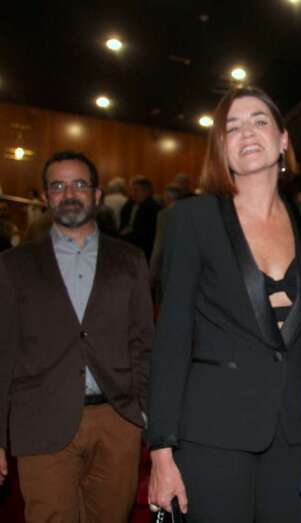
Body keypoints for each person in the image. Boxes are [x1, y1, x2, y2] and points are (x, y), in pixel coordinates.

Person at [146, 86, 301, 522]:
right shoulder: (191, 218)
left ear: (283, 140)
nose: (247, 132)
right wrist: (161, 450)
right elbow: (172, 336)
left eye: (259, 121)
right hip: (211, 432)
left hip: (294, 430)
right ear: (221, 147)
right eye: (232, 127)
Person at [0, 151, 153, 522]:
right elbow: (4, 351)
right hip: (41, 418)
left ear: (97, 194)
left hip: (117, 420)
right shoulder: (14, 265)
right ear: (45, 197)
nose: (69, 194)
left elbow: (143, 344)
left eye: (79, 184)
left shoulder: (131, 260)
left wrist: (146, 415)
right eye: (58, 186)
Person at [120, 176, 161, 260]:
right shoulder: (128, 205)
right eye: (131, 190)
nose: (132, 193)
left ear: (146, 191)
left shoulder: (154, 209)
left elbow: (150, 234)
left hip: (145, 251)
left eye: (136, 190)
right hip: (128, 248)